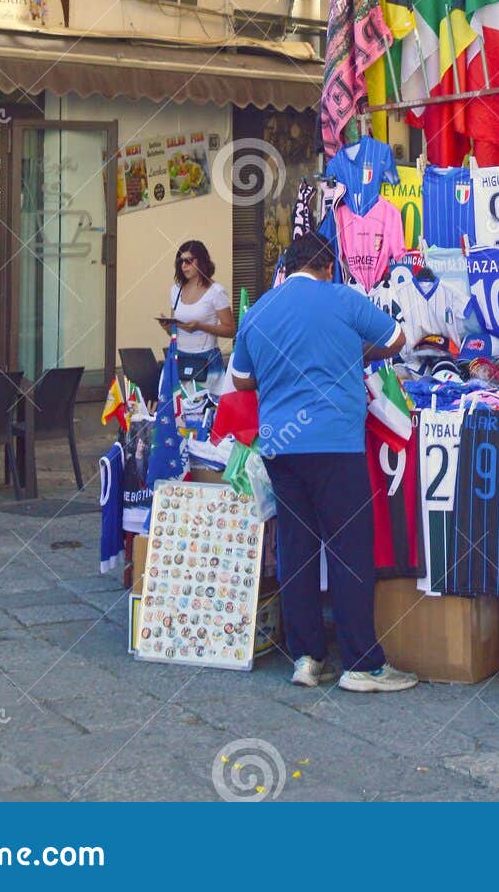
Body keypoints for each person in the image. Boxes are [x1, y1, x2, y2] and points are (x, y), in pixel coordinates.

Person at [229, 232, 418, 694]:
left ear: (287, 266)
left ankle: (307, 659)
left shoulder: (260, 311)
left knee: (297, 550)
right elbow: (397, 337)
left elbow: (240, 378)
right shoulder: (343, 298)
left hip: (281, 450)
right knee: (350, 552)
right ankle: (362, 665)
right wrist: (353, 353)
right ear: (328, 266)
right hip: (335, 442)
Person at [164, 241, 234, 389]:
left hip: (206, 359)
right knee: (179, 407)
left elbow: (231, 330)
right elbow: (174, 331)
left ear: (201, 261)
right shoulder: (176, 290)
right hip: (179, 357)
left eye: (189, 261)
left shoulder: (216, 291)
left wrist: (201, 326)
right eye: (181, 261)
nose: (184, 265)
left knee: (206, 408)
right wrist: (167, 326)